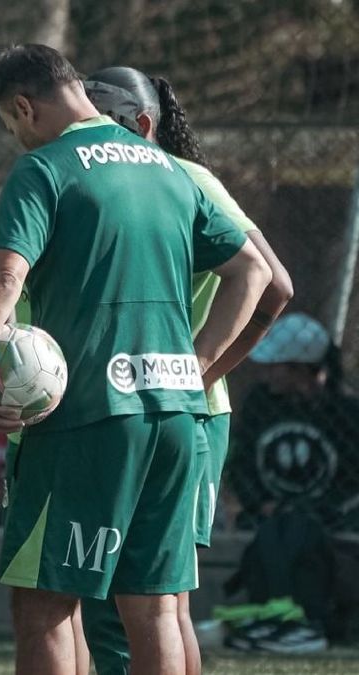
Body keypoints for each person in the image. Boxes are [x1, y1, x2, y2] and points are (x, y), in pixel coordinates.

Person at [0, 44, 270, 675]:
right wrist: (195, 364)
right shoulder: (169, 168)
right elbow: (253, 271)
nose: (16, 139)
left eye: (10, 125)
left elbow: (5, 274)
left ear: (24, 107)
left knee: (46, 604)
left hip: (87, 418)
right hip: (177, 416)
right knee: (156, 607)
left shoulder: (45, 168)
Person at [78, 66, 295, 675]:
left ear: (143, 123)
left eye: (100, 119)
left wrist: (201, 370)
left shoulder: (183, 177)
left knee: (141, 598)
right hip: (148, 407)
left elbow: (273, 284)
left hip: (182, 413)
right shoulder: (112, 177)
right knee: (158, 599)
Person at [229, 313, 359, 530]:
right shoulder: (261, 403)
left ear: (300, 368)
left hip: (332, 521)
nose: (266, 373)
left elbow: (350, 482)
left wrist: (318, 509)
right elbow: (242, 464)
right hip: (268, 518)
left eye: (275, 366)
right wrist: (260, 503)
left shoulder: (346, 412)